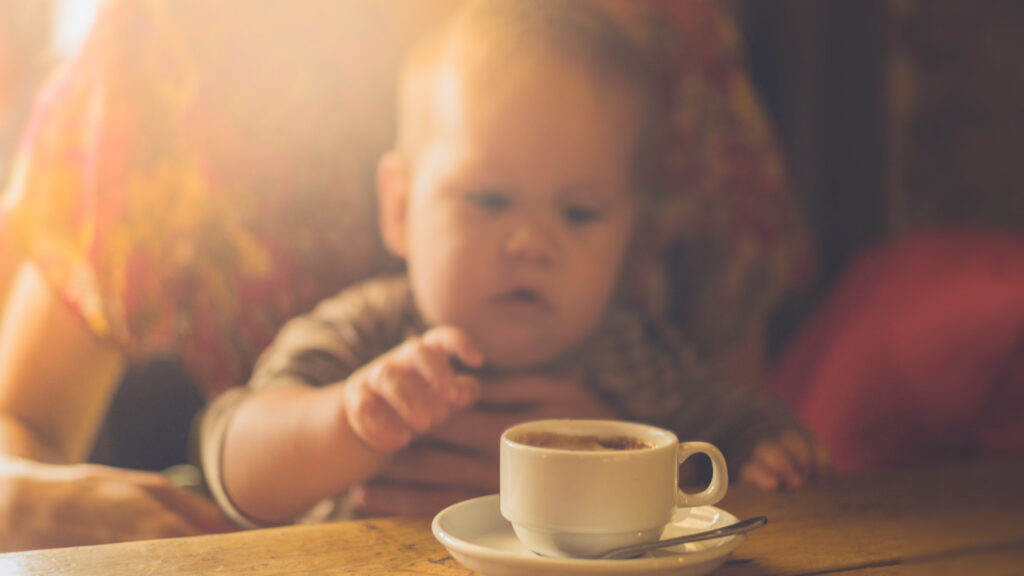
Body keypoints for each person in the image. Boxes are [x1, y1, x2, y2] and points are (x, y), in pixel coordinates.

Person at [0, 0, 810, 551]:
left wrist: (769, 452)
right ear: (399, 208)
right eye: (489, 200)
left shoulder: (638, 352)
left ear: (631, 228)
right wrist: (347, 421)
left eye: (580, 214)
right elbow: (234, 449)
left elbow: (732, 440)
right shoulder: (370, 334)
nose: (532, 242)